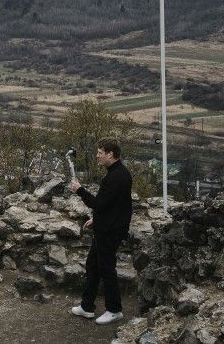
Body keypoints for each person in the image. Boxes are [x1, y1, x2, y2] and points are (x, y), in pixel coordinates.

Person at [68, 138, 133, 326]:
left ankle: (114, 310)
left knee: (106, 269)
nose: (97, 156)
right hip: (105, 227)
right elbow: (115, 206)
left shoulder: (117, 177)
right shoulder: (116, 173)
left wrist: (80, 190)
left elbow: (99, 204)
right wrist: (96, 219)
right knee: (93, 267)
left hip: (110, 231)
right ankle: (87, 306)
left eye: (100, 152)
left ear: (110, 154)